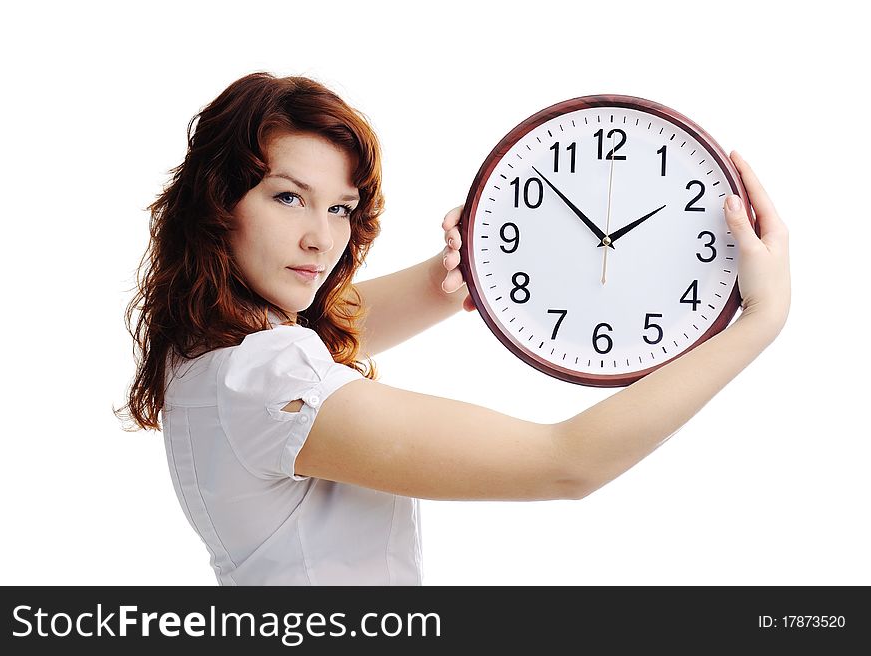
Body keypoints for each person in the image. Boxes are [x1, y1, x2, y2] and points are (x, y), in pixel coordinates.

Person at [117, 72, 790, 585]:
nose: (320, 238)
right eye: (288, 196)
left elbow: (334, 328)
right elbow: (567, 464)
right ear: (218, 202)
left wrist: (466, 270)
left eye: (342, 208)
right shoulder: (267, 378)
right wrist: (759, 323)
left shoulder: (208, 345)